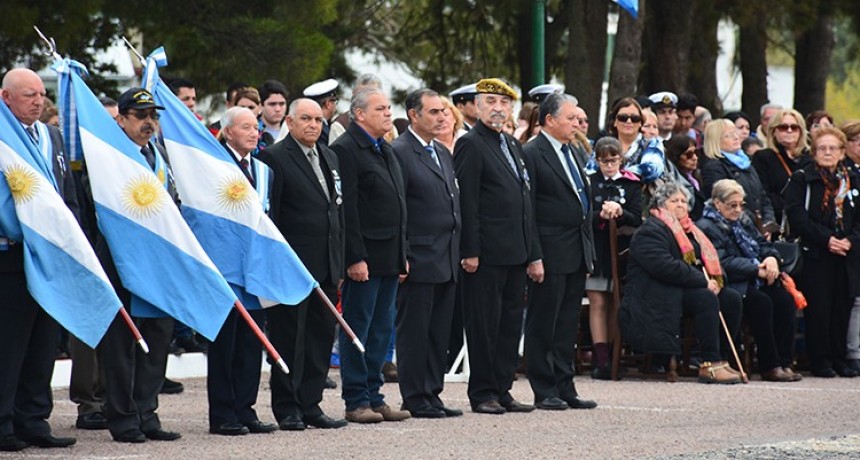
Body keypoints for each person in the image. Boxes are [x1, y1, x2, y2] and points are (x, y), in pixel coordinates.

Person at [93, 88, 181, 443]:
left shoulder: (159, 155)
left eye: (153, 116)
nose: (149, 123)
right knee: (122, 346)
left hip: (159, 265)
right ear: (121, 119)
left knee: (157, 339)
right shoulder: (108, 157)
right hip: (122, 264)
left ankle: (147, 413)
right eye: (141, 116)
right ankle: (123, 418)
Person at [256, 99, 347, 431]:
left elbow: (336, 211)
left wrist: (339, 263)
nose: (313, 125)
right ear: (290, 122)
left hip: (326, 265)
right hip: (291, 266)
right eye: (306, 119)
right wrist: (277, 263)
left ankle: (311, 404)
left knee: (319, 338)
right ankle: (288, 407)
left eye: (318, 120)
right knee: (289, 339)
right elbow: (272, 217)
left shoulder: (329, 156)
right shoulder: (274, 157)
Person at [0, 68, 79, 452]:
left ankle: (33, 419)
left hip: (52, 256)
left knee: (42, 343)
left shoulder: (52, 136)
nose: (38, 101)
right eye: (28, 95)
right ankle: (3, 423)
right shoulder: (3, 138)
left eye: (40, 94)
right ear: (6, 98)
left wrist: (74, 241)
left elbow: (67, 193)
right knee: (9, 344)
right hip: (11, 258)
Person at [454, 78, 536, 414]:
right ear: (477, 106)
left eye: (504, 103)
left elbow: (525, 201)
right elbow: (468, 202)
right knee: (484, 325)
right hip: (486, 254)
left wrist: (533, 252)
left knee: (509, 325)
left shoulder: (512, 144)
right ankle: (483, 392)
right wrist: (470, 250)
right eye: (490, 102)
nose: (498, 109)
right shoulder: (471, 144)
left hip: (515, 251)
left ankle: (502, 388)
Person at [330, 87, 411, 423]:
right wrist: (354, 257)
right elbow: (347, 210)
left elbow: (399, 205)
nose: (388, 113)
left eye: (389, 107)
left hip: (389, 255)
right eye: (380, 108)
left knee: (380, 330)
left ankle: (375, 396)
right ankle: (356, 399)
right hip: (364, 258)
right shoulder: (345, 149)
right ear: (360, 114)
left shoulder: (384, 148)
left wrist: (402, 254)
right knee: (358, 329)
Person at [619, 181, 744, 384]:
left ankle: (721, 359)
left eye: (683, 201)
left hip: (683, 288)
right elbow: (664, 266)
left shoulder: (691, 230)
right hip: (656, 292)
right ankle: (709, 363)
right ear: (661, 204)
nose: (680, 205)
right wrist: (702, 281)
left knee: (731, 298)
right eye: (674, 200)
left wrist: (716, 279)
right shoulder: (651, 229)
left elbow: (710, 259)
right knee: (706, 298)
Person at [204, 107, 278, 436]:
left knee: (251, 343)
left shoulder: (263, 171)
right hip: (225, 270)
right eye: (246, 127)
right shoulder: (213, 167)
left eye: (256, 127)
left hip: (254, 271)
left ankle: (246, 409)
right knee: (225, 345)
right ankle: (222, 414)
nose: (253, 133)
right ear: (228, 131)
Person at [522, 93, 597, 410]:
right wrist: (534, 255)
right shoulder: (532, 152)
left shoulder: (574, 151)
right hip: (549, 251)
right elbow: (528, 209)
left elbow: (582, 201)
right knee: (544, 322)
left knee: (567, 323)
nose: (577, 124)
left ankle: (566, 386)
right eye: (570, 118)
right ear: (550, 120)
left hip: (575, 250)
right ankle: (544, 388)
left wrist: (588, 252)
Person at [391, 89, 463, 419]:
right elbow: (398, 209)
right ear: (413, 115)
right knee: (415, 332)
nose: (441, 117)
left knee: (438, 332)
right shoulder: (400, 151)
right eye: (433, 112)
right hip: (419, 257)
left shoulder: (442, 152)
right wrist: (402, 254)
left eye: (443, 111)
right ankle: (414, 395)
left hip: (446, 255)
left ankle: (432, 391)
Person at [697, 179, 801, 382]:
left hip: (756, 277)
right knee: (762, 303)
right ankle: (769, 365)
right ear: (717, 203)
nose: (738, 210)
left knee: (784, 300)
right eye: (732, 205)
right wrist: (755, 270)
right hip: (734, 282)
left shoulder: (744, 220)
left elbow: (763, 244)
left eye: (741, 204)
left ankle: (785, 362)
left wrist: (771, 258)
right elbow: (723, 261)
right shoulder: (706, 226)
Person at [784, 127, 860, 378]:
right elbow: (797, 216)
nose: (827, 152)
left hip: (846, 253)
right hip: (816, 252)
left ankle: (840, 358)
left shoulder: (852, 178)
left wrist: (850, 240)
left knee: (842, 307)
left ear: (842, 152)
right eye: (822, 148)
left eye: (833, 148)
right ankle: (820, 360)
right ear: (814, 152)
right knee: (819, 308)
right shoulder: (802, 178)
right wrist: (827, 239)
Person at [585, 137, 642, 380]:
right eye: (604, 161)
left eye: (613, 160)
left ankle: (611, 353)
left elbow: (637, 217)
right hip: (596, 249)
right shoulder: (589, 182)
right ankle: (600, 359)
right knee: (598, 302)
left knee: (614, 302)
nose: (609, 166)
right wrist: (601, 215)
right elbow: (581, 214)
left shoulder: (631, 184)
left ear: (621, 159)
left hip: (620, 250)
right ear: (597, 161)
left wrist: (620, 212)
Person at [701, 119, 777, 237]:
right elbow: (725, 202)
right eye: (729, 135)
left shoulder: (746, 163)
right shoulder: (714, 167)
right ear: (715, 141)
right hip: (734, 231)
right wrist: (755, 227)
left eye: (735, 132)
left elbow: (762, 196)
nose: (736, 137)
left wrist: (768, 222)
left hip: (758, 229)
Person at [751, 108, 812, 225]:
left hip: (808, 221)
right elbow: (763, 193)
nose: (789, 131)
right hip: (780, 220)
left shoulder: (810, 158)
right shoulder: (763, 157)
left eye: (794, 127)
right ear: (774, 131)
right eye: (783, 127)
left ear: (800, 131)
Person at [843, 120, 860, 372]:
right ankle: (853, 351)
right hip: (850, 241)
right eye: (856, 140)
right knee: (856, 300)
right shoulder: (845, 172)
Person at [665, 135, 706, 220]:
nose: (695, 158)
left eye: (696, 153)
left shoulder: (697, 176)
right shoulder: (673, 181)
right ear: (676, 156)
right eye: (689, 155)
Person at [303, 78, 339, 146]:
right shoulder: (321, 129)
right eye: (335, 102)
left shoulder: (307, 123)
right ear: (328, 104)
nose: (335, 105)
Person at [259, 79, 289, 145]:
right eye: (272, 104)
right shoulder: (253, 133)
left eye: (282, 104)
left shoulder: (293, 132)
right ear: (261, 105)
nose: (278, 109)